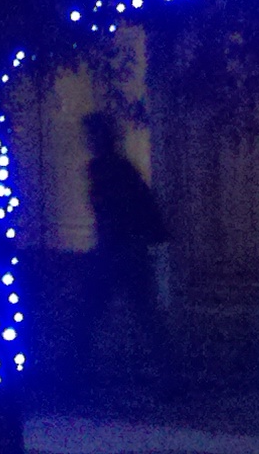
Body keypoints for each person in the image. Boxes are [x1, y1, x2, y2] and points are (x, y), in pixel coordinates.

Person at [78, 109, 179, 397]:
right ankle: (167, 375)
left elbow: (112, 213)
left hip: (119, 249)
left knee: (96, 310)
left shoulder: (105, 169)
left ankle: (78, 371)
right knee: (142, 313)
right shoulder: (119, 168)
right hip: (126, 249)